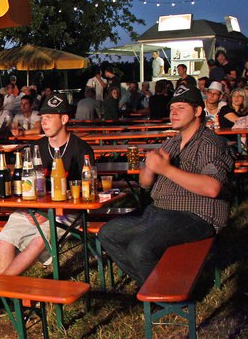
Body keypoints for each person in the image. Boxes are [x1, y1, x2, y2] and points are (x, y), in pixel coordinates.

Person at [98, 85, 235, 286]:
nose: (173, 113)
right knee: (108, 233)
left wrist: (166, 169)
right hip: (159, 211)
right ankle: (157, 288)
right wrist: (150, 167)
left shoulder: (210, 143)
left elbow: (212, 188)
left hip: (195, 215)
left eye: (181, 108)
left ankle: (168, 292)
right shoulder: (171, 143)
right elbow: (144, 183)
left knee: (140, 248)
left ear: (198, 111)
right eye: (172, 108)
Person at [0, 93, 94, 319]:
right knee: (6, 238)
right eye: (43, 117)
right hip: (34, 209)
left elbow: (85, 193)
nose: (44, 122)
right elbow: (27, 185)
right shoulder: (36, 147)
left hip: (66, 213)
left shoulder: (81, 149)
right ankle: (8, 298)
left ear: (64, 119)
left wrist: (48, 213)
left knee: (39, 240)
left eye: (49, 117)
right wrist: (36, 209)